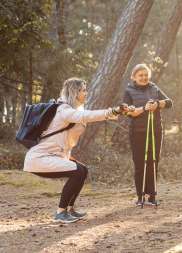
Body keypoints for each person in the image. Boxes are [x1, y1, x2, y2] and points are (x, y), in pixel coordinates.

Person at [23, 77, 131, 223]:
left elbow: (82, 121)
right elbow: (86, 116)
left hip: (53, 156)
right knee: (78, 171)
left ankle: (69, 209)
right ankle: (60, 213)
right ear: (74, 92)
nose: (86, 93)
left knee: (83, 169)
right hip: (40, 158)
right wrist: (113, 110)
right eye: (83, 90)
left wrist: (117, 112)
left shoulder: (72, 109)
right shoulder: (63, 110)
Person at [123, 64, 173, 206]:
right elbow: (127, 112)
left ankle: (152, 195)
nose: (144, 77)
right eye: (140, 75)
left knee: (153, 162)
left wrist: (157, 104)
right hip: (137, 132)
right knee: (140, 164)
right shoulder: (129, 91)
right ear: (134, 77)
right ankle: (140, 196)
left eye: (146, 75)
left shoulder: (154, 87)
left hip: (155, 131)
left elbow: (169, 102)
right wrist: (144, 108)